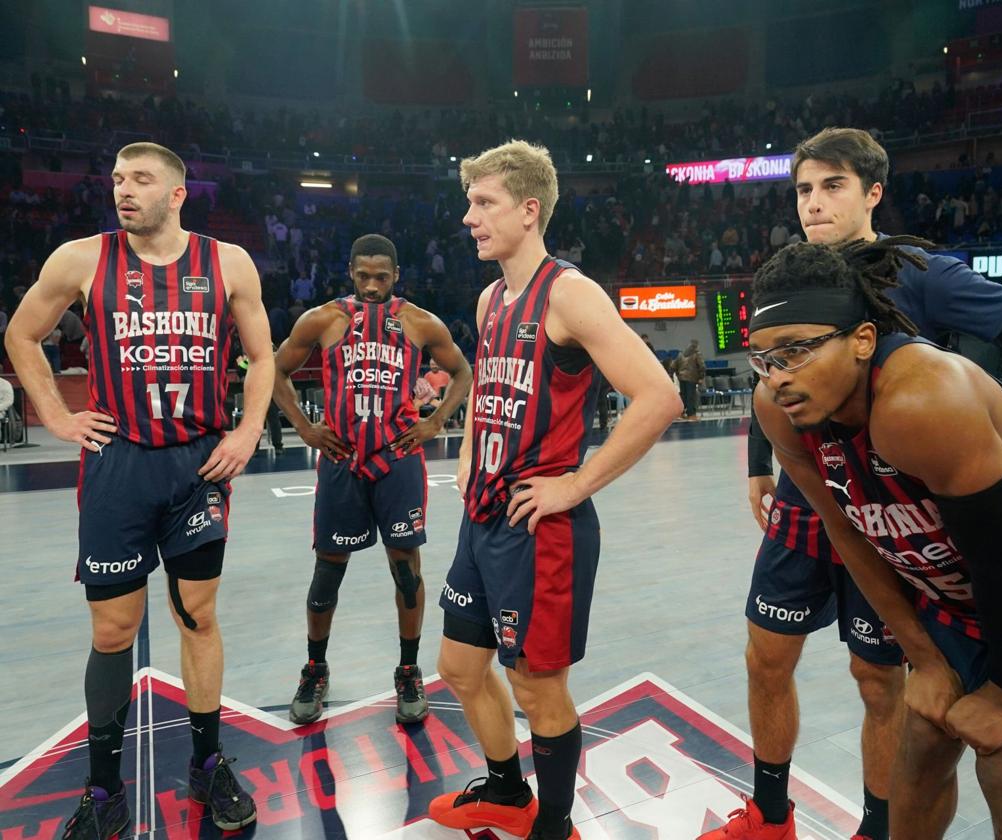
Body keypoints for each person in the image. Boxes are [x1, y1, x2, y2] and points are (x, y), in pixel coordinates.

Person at [711, 127, 1002, 840]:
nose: (814, 203)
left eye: (833, 186)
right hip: (810, 497)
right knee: (764, 655)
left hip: (890, 514)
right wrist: (761, 464)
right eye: (804, 189)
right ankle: (769, 813)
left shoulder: (923, 271)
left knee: (880, 678)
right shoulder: (795, 276)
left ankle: (878, 829)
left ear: (874, 192)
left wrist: (991, 435)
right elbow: (777, 374)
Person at [749, 237, 1002, 839]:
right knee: (919, 751)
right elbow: (847, 531)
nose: (778, 376)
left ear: (862, 339)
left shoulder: (921, 398)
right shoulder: (779, 408)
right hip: (961, 582)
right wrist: (927, 658)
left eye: (797, 351)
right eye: (764, 358)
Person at [4, 142, 271, 837]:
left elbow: (266, 355)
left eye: (141, 179)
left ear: (177, 193)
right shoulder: (81, 258)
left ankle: (208, 763)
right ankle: (103, 788)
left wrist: (246, 433)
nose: (124, 189)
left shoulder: (228, 263)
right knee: (114, 629)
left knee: (198, 617)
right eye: (118, 178)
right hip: (119, 465)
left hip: (197, 466)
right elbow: (22, 334)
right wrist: (58, 417)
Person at [429, 140, 680, 840]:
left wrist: (574, 484)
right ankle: (509, 792)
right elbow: (486, 385)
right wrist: (471, 453)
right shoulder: (489, 298)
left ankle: (557, 824)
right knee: (458, 666)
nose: (468, 217)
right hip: (483, 518)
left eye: (484, 203)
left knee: (539, 689)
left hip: (541, 531)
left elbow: (659, 397)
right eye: (469, 202)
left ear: (529, 210)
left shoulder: (570, 294)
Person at [272, 233, 471, 725]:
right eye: (363, 276)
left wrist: (436, 420)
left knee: (406, 572)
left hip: (398, 458)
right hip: (342, 459)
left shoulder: (420, 322)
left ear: (397, 275)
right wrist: (303, 427)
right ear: (351, 271)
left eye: (381, 277)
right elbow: (274, 371)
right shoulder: (322, 319)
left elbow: (463, 372)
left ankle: (408, 669)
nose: (372, 286)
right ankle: (315, 669)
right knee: (326, 574)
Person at [673, 339, 705, 420]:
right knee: (691, 396)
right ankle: (691, 415)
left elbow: (673, 366)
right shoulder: (697, 354)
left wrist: (678, 374)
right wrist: (701, 377)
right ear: (697, 346)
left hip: (681, 378)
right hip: (691, 378)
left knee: (683, 396)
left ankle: (680, 413)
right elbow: (702, 366)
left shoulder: (681, 354)